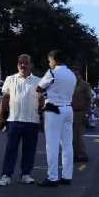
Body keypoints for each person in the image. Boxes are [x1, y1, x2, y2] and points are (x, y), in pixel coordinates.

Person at [0, 54, 41, 186]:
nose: (23, 65)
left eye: (26, 63)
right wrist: (1, 118)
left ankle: (26, 175)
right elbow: (5, 100)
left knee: (29, 150)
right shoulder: (10, 79)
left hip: (32, 121)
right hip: (13, 120)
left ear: (31, 65)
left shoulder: (38, 81)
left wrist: (44, 118)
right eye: (20, 63)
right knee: (10, 149)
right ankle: (6, 176)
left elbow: (42, 100)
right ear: (17, 64)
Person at [36, 49, 77, 187]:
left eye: (49, 61)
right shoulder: (71, 74)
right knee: (67, 145)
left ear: (54, 60)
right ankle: (67, 176)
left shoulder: (53, 72)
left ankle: (52, 177)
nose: (49, 63)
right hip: (68, 108)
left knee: (52, 145)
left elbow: (39, 88)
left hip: (54, 108)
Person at [72, 70, 92, 163]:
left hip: (80, 112)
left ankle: (81, 154)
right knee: (69, 135)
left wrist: (87, 113)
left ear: (79, 75)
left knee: (78, 135)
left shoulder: (84, 85)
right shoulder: (69, 83)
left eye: (75, 74)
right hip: (69, 111)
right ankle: (73, 153)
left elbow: (88, 99)